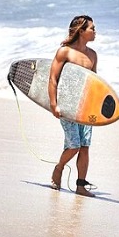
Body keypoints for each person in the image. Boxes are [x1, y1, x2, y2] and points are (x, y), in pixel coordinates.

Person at [48, 15, 98, 197]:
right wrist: (54, 104)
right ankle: (59, 168)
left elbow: (95, 85)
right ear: (81, 31)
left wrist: (97, 109)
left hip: (86, 108)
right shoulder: (65, 52)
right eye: (92, 28)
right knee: (74, 145)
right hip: (67, 105)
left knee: (85, 146)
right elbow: (53, 79)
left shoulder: (92, 55)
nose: (95, 31)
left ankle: (81, 185)